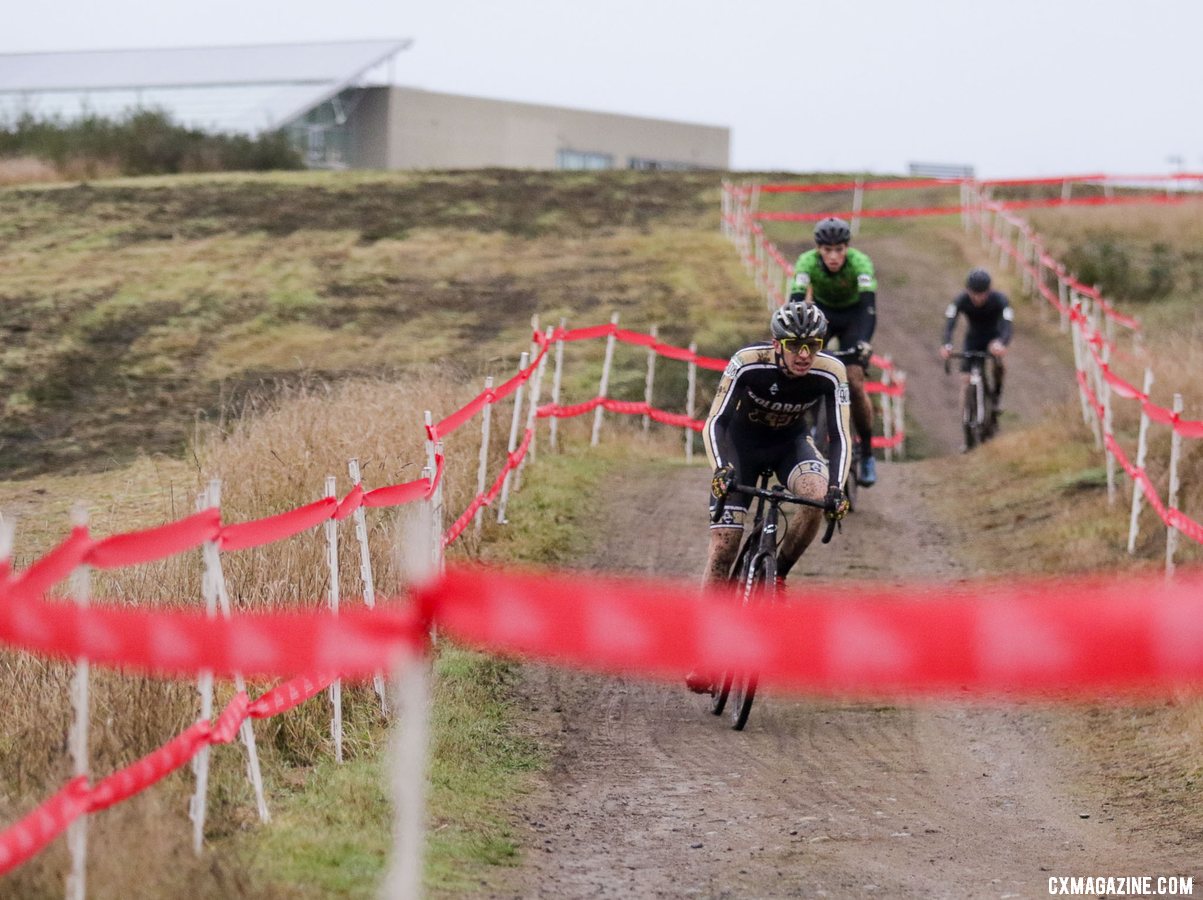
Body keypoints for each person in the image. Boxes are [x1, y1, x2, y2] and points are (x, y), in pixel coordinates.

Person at [686, 302, 851, 693]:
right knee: (725, 544)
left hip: (790, 445)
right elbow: (715, 421)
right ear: (777, 344)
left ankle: (777, 576)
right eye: (795, 345)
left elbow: (840, 437)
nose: (805, 354)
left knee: (814, 498)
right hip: (740, 449)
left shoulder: (831, 372)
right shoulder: (748, 361)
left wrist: (837, 490)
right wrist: (722, 468)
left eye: (813, 344)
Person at [789, 216, 879, 487]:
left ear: (847, 248)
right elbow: (795, 302)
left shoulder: (860, 263)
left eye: (839, 249)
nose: (833, 256)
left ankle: (867, 451)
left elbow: (868, 309)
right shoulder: (806, 262)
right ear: (819, 249)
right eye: (827, 250)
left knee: (854, 380)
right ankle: (813, 432)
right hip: (823, 315)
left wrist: (863, 342)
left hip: (854, 317)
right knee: (807, 372)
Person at [940, 267, 1014, 432]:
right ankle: (966, 423)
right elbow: (950, 322)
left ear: (989, 291)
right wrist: (947, 344)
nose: (978, 298)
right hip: (972, 340)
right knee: (965, 380)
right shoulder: (960, 300)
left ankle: (996, 398)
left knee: (998, 363)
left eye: (982, 294)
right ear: (968, 290)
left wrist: (1002, 343)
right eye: (974, 293)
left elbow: (1007, 325)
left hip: (993, 339)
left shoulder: (1000, 300)